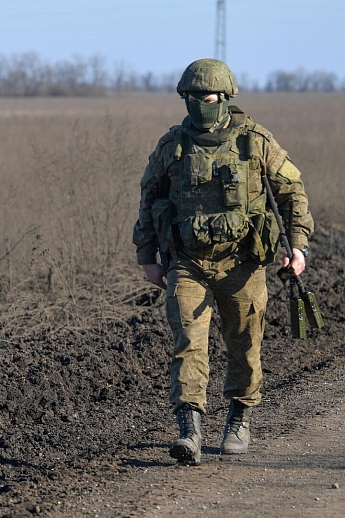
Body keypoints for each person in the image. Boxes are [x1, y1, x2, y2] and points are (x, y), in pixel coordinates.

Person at [132, 58, 313, 466]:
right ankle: (189, 430)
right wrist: (147, 256)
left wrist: (296, 246)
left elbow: (292, 194)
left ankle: (239, 419)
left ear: (225, 97)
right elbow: (148, 199)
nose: (200, 103)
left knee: (245, 345)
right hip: (187, 262)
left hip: (242, 263)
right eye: (192, 97)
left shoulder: (255, 141)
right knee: (189, 345)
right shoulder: (172, 146)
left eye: (208, 96)